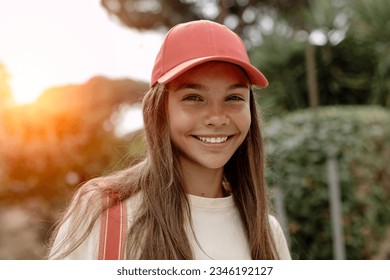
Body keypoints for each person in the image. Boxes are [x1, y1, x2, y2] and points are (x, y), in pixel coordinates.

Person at [48, 20, 291, 260]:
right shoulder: (102, 215)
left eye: (234, 98)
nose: (217, 117)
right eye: (194, 98)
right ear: (160, 110)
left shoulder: (267, 234)